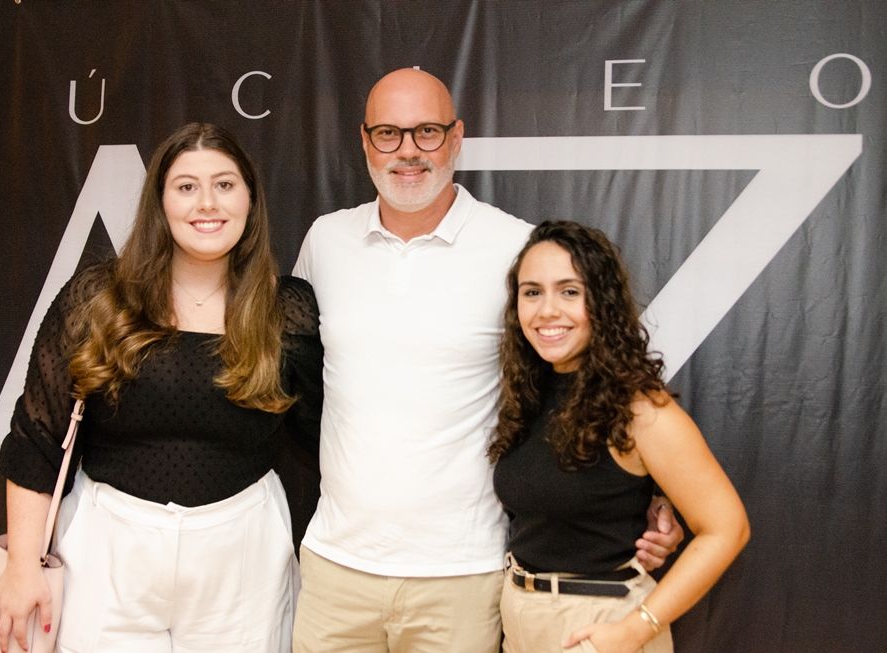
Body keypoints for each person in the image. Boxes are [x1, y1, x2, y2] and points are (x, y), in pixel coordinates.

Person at [290, 68, 684, 653]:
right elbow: (289, 373)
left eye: (426, 132)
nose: (407, 152)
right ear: (364, 141)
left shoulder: (514, 246)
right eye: (388, 134)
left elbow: (596, 373)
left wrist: (661, 491)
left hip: (463, 575)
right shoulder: (326, 240)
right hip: (334, 569)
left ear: (456, 137)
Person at [0, 122, 322, 653]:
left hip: (242, 555)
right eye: (186, 186)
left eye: (225, 185)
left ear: (251, 200)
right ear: (160, 202)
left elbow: (329, 436)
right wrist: (23, 566)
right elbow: (37, 437)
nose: (206, 203)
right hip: (108, 550)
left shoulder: (288, 310)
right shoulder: (97, 298)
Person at [490, 221, 750, 652]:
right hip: (521, 617)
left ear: (602, 302)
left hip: (599, 625)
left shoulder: (640, 409)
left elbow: (727, 528)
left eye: (570, 291)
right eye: (532, 291)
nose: (547, 310)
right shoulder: (531, 393)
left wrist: (634, 629)